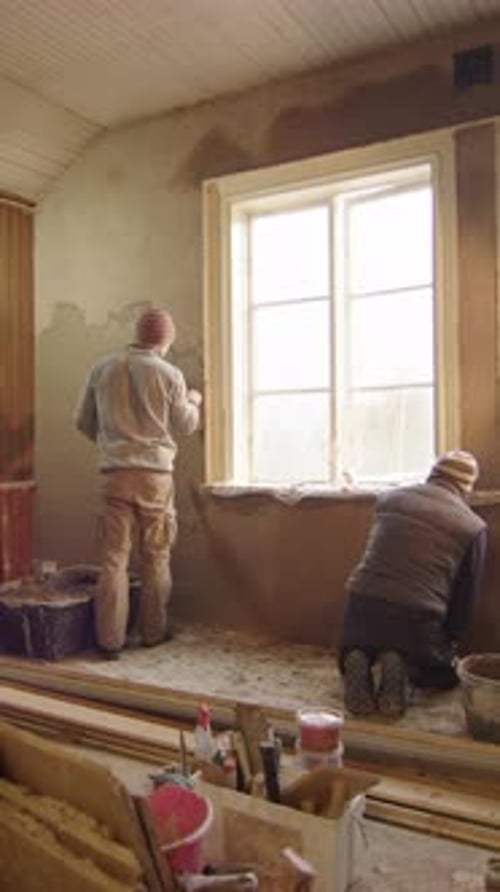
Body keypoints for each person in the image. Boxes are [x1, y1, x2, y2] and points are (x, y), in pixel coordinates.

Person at [74, 306, 202, 658]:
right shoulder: (169, 373)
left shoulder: (102, 367)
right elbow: (187, 424)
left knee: (113, 559)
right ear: (166, 340)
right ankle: (152, 633)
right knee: (156, 556)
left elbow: (83, 421)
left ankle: (109, 640)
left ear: (136, 334)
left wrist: (114, 444)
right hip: (155, 478)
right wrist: (194, 399)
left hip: (113, 474)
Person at [339, 450, 487, 717]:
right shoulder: (472, 525)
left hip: (360, 604)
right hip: (414, 616)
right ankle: (406, 667)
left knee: (362, 642)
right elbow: (464, 598)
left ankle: (358, 654)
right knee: (445, 676)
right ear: (466, 488)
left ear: (433, 474)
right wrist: (449, 643)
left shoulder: (389, 499)